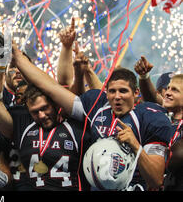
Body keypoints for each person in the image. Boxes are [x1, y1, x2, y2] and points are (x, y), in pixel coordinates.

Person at [11, 43, 173, 190]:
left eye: (123, 91)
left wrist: (135, 146)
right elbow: (51, 87)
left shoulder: (150, 116)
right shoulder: (96, 104)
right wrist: (17, 56)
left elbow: (155, 180)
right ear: (106, 92)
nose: (117, 96)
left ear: (136, 93)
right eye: (112, 91)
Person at [0, 46, 91, 191]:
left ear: (54, 103)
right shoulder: (23, 124)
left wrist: (19, 58)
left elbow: (55, 87)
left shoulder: (76, 124)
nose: (41, 115)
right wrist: (1, 60)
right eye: (35, 112)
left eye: (44, 108)